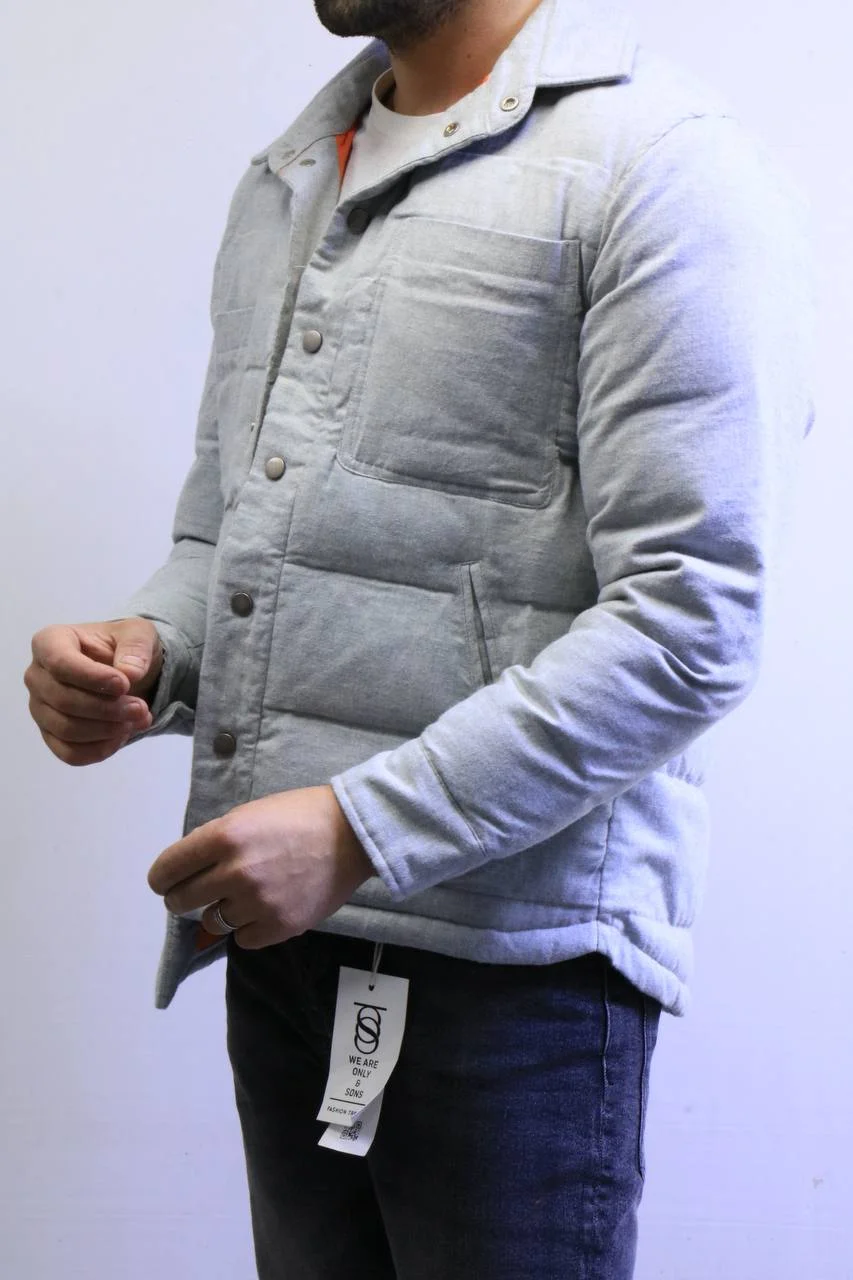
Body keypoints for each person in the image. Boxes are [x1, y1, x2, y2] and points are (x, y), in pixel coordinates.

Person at [24, 0, 816, 1274]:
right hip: (280, 944)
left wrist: (359, 830)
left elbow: (691, 619)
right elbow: (227, 533)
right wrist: (148, 652)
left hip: (518, 984)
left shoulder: (666, 168)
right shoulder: (290, 175)